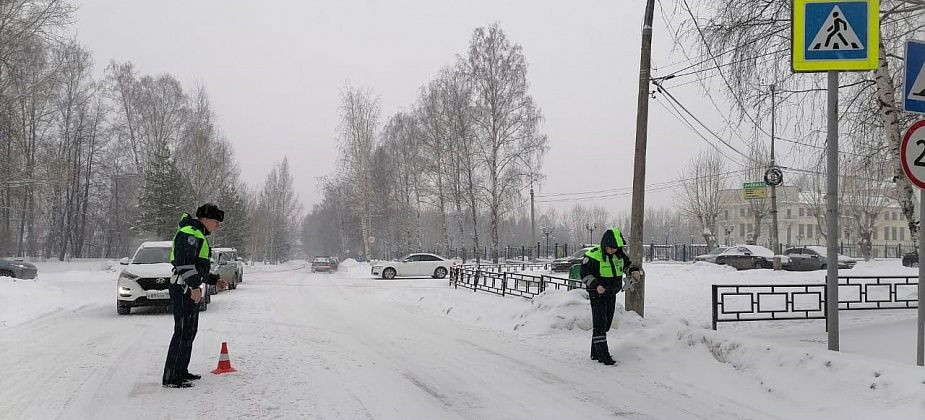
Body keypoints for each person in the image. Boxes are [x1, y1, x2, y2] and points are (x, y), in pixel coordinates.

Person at [162, 203, 229, 388]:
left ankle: (181, 371)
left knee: (189, 332)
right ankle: (171, 377)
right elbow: (184, 264)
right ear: (205, 219)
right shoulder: (189, 232)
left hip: (188, 288)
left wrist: (214, 280)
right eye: (216, 221)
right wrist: (193, 287)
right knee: (182, 331)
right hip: (182, 288)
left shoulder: (198, 234)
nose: (218, 226)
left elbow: (199, 267)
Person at [579, 227, 641, 366]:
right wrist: (596, 285)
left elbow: (626, 266)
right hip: (597, 294)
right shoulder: (593, 255)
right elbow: (584, 273)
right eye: (610, 248)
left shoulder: (619, 254)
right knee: (600, 324)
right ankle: (603, 356)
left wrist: (633, 271)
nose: (612, 250)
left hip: (611, 293)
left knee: (606, 324)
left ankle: (595, 352)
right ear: (604, 245)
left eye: (614, 248)